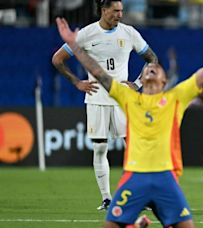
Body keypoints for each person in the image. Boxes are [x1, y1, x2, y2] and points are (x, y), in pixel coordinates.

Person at [56, 14, 203, 228]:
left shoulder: (176, 98)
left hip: (166, 179)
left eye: (156, 69)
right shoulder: (128, 98)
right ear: (141, 79)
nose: (151, 69)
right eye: (147, 70)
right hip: (134, 178)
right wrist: (74, 46)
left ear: (164, 80)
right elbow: (98, 72)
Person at [51, 0, 158, 211]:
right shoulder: (86, 34)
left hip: (123, 100)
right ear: (104, 10)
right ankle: (107, 198)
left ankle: (139, 196)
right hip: (97, 98)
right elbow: (57, 59)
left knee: (134, 148)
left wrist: (137, 84)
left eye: (121, 11)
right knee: (100, 147)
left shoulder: (129, 33)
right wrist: (77, 82)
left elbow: (152, 58)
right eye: (115, 11)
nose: (119, 15)